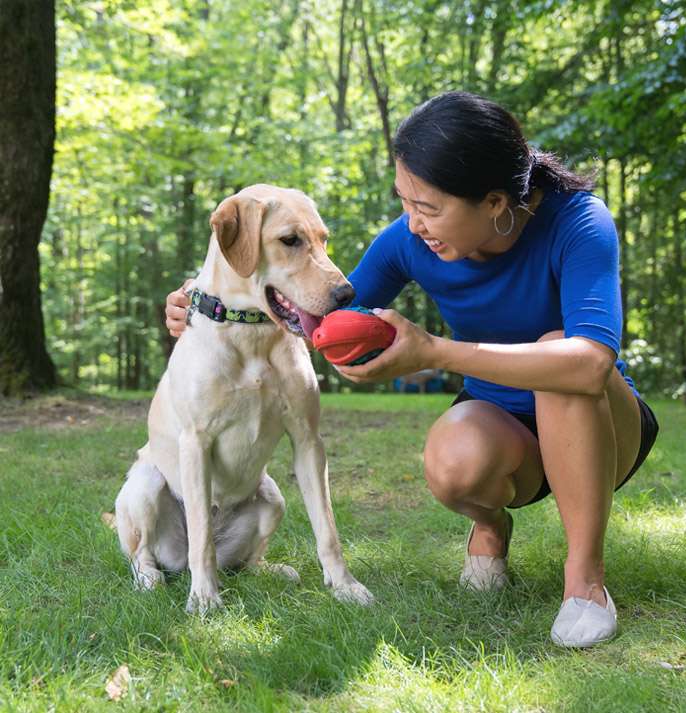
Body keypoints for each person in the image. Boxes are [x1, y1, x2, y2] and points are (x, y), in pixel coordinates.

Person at [165, 91, 659, 647]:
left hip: (603, 427)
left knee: (558, 350)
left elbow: (591, 365)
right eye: (405, 202)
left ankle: (585, 583)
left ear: (495, 202)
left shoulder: (579, 223)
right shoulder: (409, 240)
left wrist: (435, 352)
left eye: (429, 208)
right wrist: (207, 300)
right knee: (452, 460)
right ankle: (492, 526)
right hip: (507, 430)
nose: (413, 223)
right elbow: (326, 311)